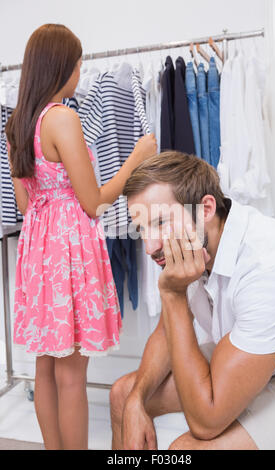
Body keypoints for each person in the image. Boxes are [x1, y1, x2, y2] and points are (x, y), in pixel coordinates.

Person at [6, 23, 157, 450]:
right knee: (72, 373)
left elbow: (23, 203)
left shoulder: (18, 123)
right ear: (61, 67)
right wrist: (135, 159)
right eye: (77, 64)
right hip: (68, 248)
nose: (79, 72)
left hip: (38, 248)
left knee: (45, 365)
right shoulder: (62, 118)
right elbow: (94, 201)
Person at [110, 151, 275, 451]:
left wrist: (172, 294)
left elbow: (206, 423)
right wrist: (136, 400)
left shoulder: (269, 265)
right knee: (123, 394)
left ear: (206, 208)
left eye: (161, 222)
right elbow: (166, 331)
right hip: (254, 351)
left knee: (186, 450)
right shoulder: (196, 239)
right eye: (143, 229)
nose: (150, 247)